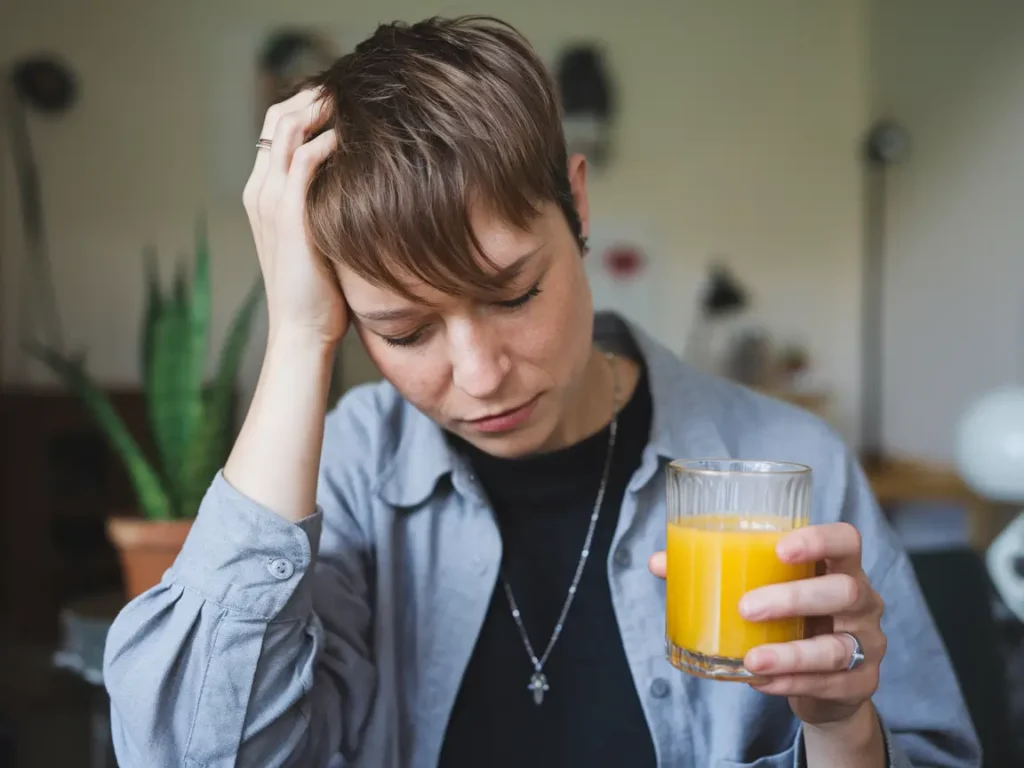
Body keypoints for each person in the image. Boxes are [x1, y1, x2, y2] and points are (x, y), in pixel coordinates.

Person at [102, 15, 980, 768]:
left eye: (515, 292)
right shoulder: (348, 476)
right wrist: (298, 340)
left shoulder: (793, 466)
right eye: (404, 331)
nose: (480, 376)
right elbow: (189, 750)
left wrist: (842, 727)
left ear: (578, 207)